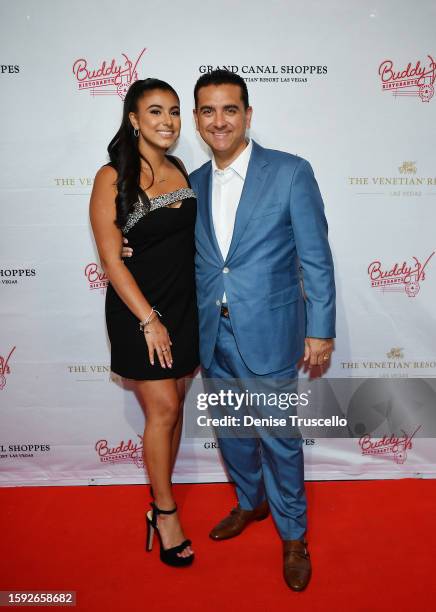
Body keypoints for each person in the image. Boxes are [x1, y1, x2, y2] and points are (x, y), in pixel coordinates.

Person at [123, 70, 335, 590]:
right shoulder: (186, 184)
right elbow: (166, 248)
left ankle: (293, 535)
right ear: (196, 119)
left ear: (247, 114)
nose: (219, 121)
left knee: (280, 440)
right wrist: (130, 248)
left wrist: (322, 329)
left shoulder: (290, 172)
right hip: (209, 337)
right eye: (208, 111)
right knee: (233, 433)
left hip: (271, 332)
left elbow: (317, 258)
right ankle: (250, 503)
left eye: (230, 110)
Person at [89, 78, 198, 568]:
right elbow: (113, 260)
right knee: (163, 409)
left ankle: (162, 493)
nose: (167, 121)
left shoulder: (182, 169)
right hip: (139, 310)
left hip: (184, 305)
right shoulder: (111, 177)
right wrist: (150, 320)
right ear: (133, 119)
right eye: (155, 112)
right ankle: (165, 512)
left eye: (174, 112)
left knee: (173, 407)